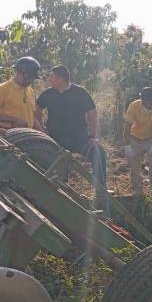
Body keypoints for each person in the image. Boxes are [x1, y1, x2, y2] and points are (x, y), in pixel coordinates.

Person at [36, 65, 108, 204]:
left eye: (52, 77)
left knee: (98, 152)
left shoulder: (80, 92)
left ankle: (101, 191)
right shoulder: (48, 93)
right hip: (55, 138)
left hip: (79, 137)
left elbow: (92, 113)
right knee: (58, 164)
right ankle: (62, 193)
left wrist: (92, 136)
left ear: (61, 78)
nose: (49, 79)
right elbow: (37, 108)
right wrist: (42, 129)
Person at [124, 87, 152, 198]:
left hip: (150, 137)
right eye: (145, 101)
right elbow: (127, 127)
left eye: (150, 101)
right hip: (134, 137)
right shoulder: (134, 106)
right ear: (141, 99)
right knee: (135, 164)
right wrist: (128, 146)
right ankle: (138, 191)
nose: (147, 104)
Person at [0, 56, 44, 131]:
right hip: (8, 134)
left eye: (32, 78)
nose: (30, 81)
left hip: (27, 135)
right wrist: (14, 120)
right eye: (29, 78)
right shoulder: (3, 88)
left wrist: (43, 134)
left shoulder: (30, 91)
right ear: (20, 73)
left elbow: (32, 117)